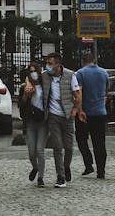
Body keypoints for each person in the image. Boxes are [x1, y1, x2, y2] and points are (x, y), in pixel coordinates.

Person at [41, 52, 82, 189]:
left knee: (69, 147)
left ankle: (66, 167)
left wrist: (75, 111)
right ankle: (60, 176)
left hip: (68, 115)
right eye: (47, 63)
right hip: (52, 116)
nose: (48, 66)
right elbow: (31, 77)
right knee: (57, 146)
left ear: (58, 65)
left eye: (50, 64)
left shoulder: (70, 76)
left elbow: (78, 96)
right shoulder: (45, 76)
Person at [74, 50, 108, 179]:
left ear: (83, 61)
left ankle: (88, 163)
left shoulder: (80, 74)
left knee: (81, 139)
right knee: (99, 142)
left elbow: (79, 93)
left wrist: (80, 110)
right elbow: (106, 90)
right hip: (100, 112)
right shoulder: (104, 73)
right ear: (93, 60)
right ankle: (101, 170)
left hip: (85, 113)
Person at [18, 62, 46, 187]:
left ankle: (40, 177)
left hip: (43, 122)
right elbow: (20, 106)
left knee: (40, 150)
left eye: (35, 71)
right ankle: (35, 167)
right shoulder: (25, 87)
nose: (33, 73)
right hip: (30, 121)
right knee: (31, 152)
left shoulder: (45, 86)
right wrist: (26, 95)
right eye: (31, 71)